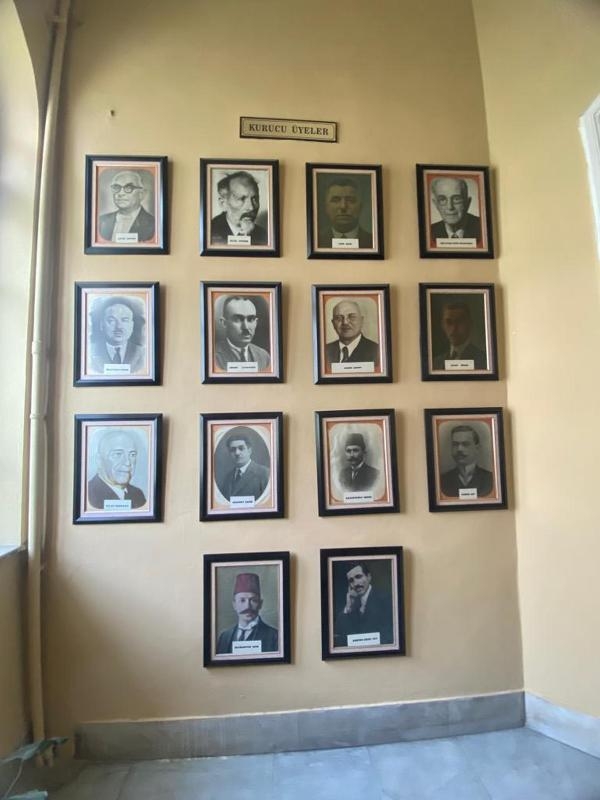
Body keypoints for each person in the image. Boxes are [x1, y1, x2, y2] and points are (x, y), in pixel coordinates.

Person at [216, 572, 279, 654]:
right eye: (242, 600)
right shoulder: (224, 637)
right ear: (234, 604)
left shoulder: (275, 636)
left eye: (253, 600)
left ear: (260, 604)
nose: (247, 606)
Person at [334, 562, 393, 646]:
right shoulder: (351, 605)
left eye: (358, 577)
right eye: (351, 580)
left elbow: (389, 637)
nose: (356, 584)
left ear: (369, 577)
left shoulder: (386, 599)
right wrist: (348, 607)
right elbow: (339, 634)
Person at [87, 429, 147, 509]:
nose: (128, 462)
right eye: (118, 454)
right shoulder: (89, 493)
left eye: (132, 455)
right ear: (99, 460)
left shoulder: (138, 494)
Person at [88, 296, 146, 374]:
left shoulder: (142, 353)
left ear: (132, 325)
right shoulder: (90, 352)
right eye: (111, 321)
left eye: (124, 320)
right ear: (101, 325)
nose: (119, 327)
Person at [210, 171, 268, 245]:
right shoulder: (210, 231)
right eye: (242, 198)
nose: (251, 208)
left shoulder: (264, 235)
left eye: (255, 198)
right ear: (223, 204)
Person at [214, 296, 270, 370]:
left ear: (256, 323)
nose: (246, 327)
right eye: (237, 319)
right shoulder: (213, 356)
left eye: (250, 319)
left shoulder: (264, 356)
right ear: (224, 323)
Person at [98, 170, 155, 242]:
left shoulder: (153, 224)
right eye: (116, 188)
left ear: (141, 194)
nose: (120, 193)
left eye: (129, 188)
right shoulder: (101, 220)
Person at [440, 425, 494, 498]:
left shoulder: (491, 479)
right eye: (455, 444)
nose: (459, 449)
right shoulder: (442, 480)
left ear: (477, 448)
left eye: (465, 444)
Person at [318, 177, 373, 248]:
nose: (343, 206)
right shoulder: (318, 242)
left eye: (350, 200)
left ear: (360, 207)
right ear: (326, 207)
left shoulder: (373, 242)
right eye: (336, 200)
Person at [216, 429, 270, 501]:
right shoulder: (227, 478)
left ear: (249, 451)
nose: (237, 453)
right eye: (233, 449)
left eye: (241, 448)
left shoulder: (264, 473)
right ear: (229, 453)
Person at [432, 301, 486, 370]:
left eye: (459, 321)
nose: (453, 328)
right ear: (443, 325)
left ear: (470, 324)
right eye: (449, 322)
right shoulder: (436, 363)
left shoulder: (483, 360)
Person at [325, 300, 379, 367]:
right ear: (333, 323)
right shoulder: (325, 351)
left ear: (361, 321)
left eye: (352, 317)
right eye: (339, 318)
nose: (345, 322)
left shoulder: (377, 351)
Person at [430, 177, 481, 242]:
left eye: (456, 199)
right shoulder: (430, 232)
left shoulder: (483, 228)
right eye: (442, 199)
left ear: (468, 202)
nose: (450, 207)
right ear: (436, 204)